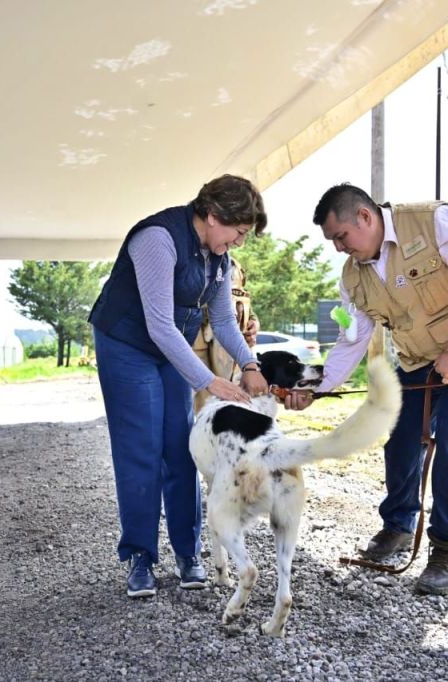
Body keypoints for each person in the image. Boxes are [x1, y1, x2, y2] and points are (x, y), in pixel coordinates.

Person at [289, 184, 448, 596]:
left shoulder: (437, 222)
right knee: (400, 442)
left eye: (341, 237)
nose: (338, 249)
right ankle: (398, 526)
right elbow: (353, 340)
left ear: (364, 217)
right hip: (420, 366)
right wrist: (320, 387)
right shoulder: (353, 277)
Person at [89, 174, 269, 598]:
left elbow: (223, 321)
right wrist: (209, 381)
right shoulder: (157, 238)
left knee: (180, 446)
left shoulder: (218, 256)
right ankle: (140, 557)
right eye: (238, 232)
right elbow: (159, 324)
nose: (239, 243)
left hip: (171, 347)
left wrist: (249, 363)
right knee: (141, 448)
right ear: (212, 215)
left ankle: (188, 554)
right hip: (127, 344)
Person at [191, 255, 258, 413]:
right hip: (196, 344)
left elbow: (238, 300)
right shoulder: (193, 258)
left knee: (230, 396)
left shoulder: (230, 263)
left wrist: (253, 321)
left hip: (230, 346)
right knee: (198, 403)